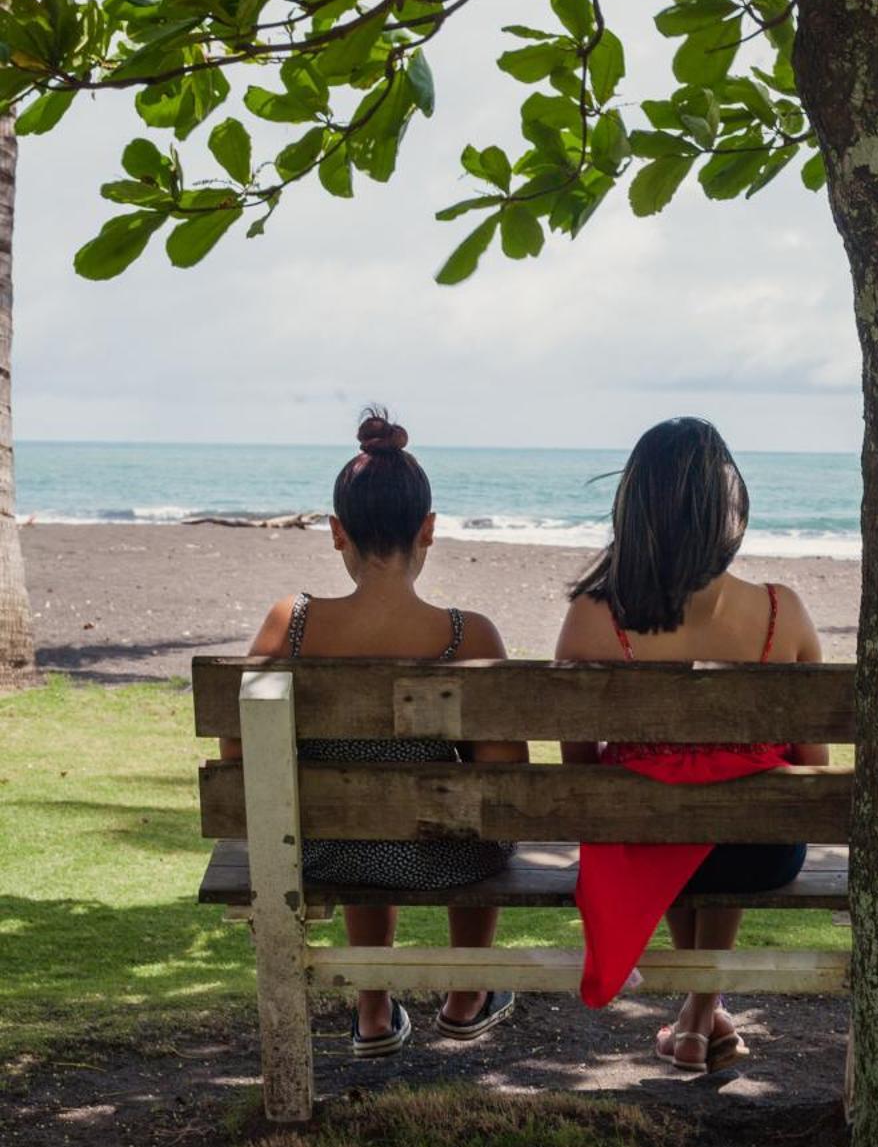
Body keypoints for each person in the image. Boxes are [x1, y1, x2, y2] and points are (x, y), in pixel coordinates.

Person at [223, 409, 523, 1058]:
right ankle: (467, 995)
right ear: (429, 530)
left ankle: (372, 1009)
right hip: (447, 854)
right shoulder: (467, 635)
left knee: (354, 814)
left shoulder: (290, 625)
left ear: (337, 533)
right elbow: (505, 775)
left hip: (323, 851)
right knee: (475, 813)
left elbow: (238, 751)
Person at [555, 417, 826, 1071]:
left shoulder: (595, 618)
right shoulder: (778, 610)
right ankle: (701, 1015)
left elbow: (576, 764)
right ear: (729, 513)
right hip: (760, 854)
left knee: (670, 815)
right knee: (732, 802)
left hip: (644, 843)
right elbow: (812, 762)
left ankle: (699, 1015)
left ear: (635, 509)